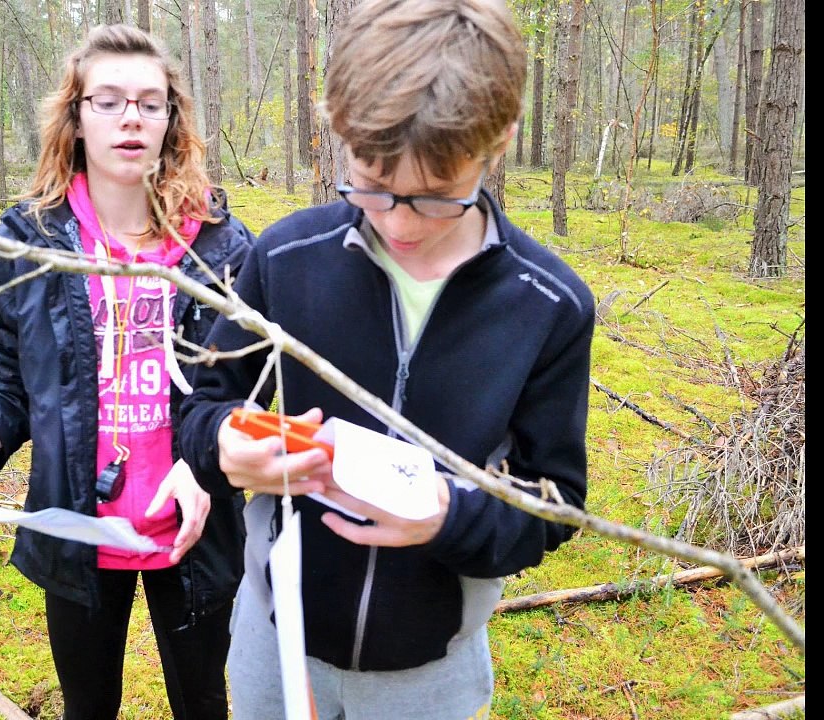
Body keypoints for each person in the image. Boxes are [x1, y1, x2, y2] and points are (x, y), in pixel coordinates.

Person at [178, 1, 595, 718]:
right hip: (277, 642)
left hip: (430, 672)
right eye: (370, 183)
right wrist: (221, 447)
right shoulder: (286, 258)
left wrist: (448, 519)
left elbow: (553, 504)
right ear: (340, 135)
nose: (399, 221)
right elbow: (201, 406)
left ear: (497, 142)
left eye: (436, 196)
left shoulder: (546, 304)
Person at [0, 24, 253, 720]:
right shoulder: (29, 241)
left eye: (150, 103)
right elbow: (12, 389)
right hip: (76, 525)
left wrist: (207, 466)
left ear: (171, 120)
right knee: (87, 707)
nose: (131, 118)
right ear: (77, 116)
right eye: (109, 101)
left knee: (205, 704)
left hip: (195, 525)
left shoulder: (221, 245)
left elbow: (246, 389)